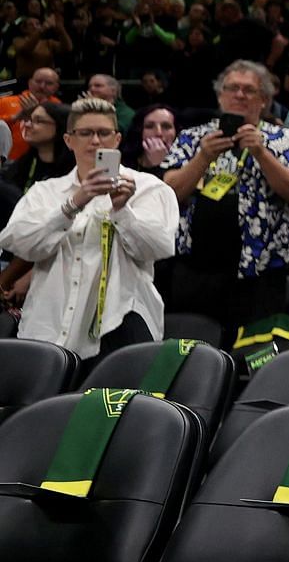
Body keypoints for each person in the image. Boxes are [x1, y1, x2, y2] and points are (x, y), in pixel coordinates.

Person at [0, 98, 178, 364]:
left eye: (103, 133)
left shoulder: (149, 188)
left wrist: (123, 212)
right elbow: (18, 243)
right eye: (85, 133)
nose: (95, 141)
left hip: (120, 326)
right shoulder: (45, 192)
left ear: (117, 139)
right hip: (48, 325)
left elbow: (160, 247)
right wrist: (73, 205)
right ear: (69, 140)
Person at [162, 60, 289, 340]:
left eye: (249, 90)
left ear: (264, 100)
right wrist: (203, 158)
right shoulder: (193, 137)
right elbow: (169, 194)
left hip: (260, 272)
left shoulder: (284, 139)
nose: (240, 95)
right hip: (196, 269)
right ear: (220, 95)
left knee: (254, 354)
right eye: (232, 88)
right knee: (192, 350)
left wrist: (261, 152)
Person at [5, 101, 76, 191]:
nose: (27, 125)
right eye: (30, 119)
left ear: (60, 126)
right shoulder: (24, 164)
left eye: (38, 121)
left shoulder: (75, 171)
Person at [130, 104, 178, 177]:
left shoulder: (186, 166)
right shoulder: (124, 163)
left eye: (166, 126)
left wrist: (157, 166)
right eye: (149, 126)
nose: (159, 133)